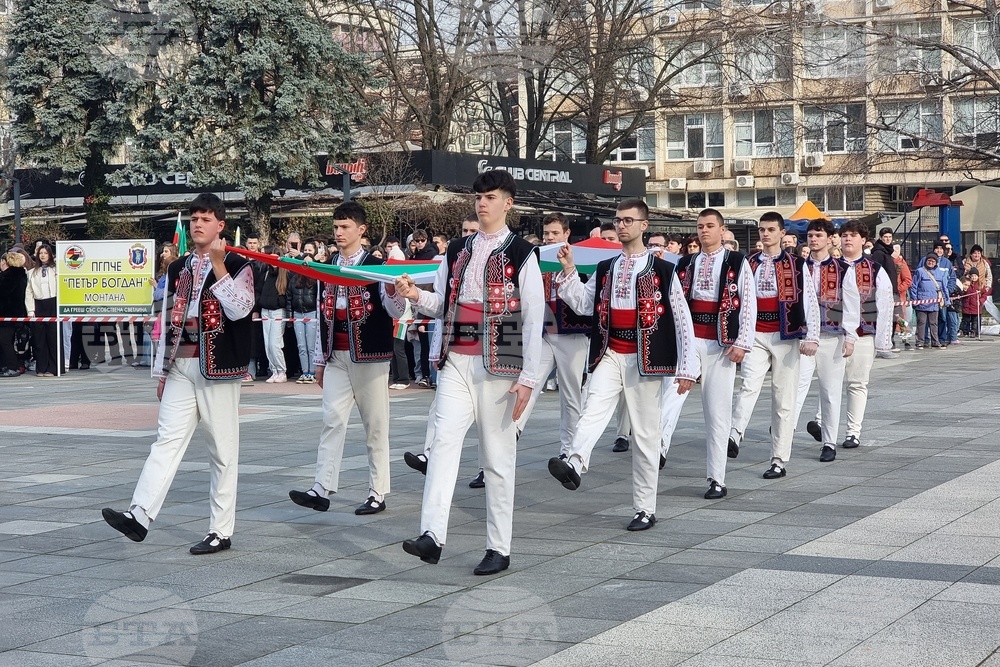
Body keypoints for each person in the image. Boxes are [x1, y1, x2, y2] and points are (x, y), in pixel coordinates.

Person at [395, 170, 543, 576]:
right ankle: (432, 535)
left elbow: (533, 318)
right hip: (456, 358)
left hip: (502, 360)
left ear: (508, 203)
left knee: (496, 458)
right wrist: (413, 294)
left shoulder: (521, 252)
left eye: (491, 197)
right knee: (442, 444)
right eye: (479, 197)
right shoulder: (458, 248)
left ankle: (499, 546)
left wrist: (529, 377)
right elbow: (441, 301)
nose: (482, 204)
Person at [102, 193, 255, 554]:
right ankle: (139, 514)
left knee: (221, 450)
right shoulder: (177, 267)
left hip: (218, 365)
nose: (197, 224)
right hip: (181, 363)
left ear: (221, 225)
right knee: (166, 440)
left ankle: (221, 529)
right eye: (194, 219)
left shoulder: (238, 262)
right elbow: (168, 318)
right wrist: (161, 370)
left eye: (205, 219)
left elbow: (240, 310)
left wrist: (219, 267)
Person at [546, 198, 698, 530]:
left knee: (645, 435)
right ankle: (574, 462)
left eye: (628, 220)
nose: (621, 225)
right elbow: (585, 305)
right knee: (592, 406)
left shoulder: (663, 270)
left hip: (646, 358)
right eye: (618, 220)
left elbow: (682, 319)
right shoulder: (606, 267)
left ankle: (645, 508)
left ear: (644, 225)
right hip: (610, 351)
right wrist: (570, 270)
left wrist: (688, 366)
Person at [289, 202, 405, 516]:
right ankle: (321, 487)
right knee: (332, 420)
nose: (338, 233)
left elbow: (396, 312)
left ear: (361, 230)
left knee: (375, 425)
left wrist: (395, 289)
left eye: (345, 227)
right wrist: (318, 359)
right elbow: (320, 312)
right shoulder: (328, 266)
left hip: (370, 354)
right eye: (336, 227)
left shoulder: (376, 266)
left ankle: (378, 491)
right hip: (335, 354)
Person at [662, 209, 756, 499]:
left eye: (710, 226)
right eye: (700, 226)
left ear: (723, 230)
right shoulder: (686, 262)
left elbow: (748, 301)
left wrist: (742, 341)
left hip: (720, 343)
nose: (704, 231)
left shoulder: (737, 261)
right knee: (668, 399)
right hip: (689, 341)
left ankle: (717, 478)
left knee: (717, 412)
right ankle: (657, 450)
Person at [728, 212, 819, 479]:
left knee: (783, 397)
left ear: (782, 233)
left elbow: (809, 302)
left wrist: (811, 336)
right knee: (748, 383)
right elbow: (739, 298)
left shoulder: (797, 263)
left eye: (770, 230)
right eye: (762, 230)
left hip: (785, 334)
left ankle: (779, 458)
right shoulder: (749, 262)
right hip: (755, 333)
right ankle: (735, 433)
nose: (765, 234)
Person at [515, 212, 592, 460]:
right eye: (547, 233)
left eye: (555, 233)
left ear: (567, 233)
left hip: (573, 333)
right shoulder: (534, 257)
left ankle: (568, 451)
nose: (549, 238)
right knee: (530, 382)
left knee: (571, 395)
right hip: (544, 333)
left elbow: (588, 295)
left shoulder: (580, 256)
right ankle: (510, 435)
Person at [794, 219, 860, 462]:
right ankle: (784, 433)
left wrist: (850, 336)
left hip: (832, 335)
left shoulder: (843, 268)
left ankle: (829, 442)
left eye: (818, 235)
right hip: (801, 336)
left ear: (830, 238)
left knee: (830, 391)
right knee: (794, 385)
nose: (813, 239)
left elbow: (852, 304)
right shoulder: (799, 266)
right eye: (810, 235)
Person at [832, 220, 895, 450]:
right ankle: (823, 426)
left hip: (863, 333)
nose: (848, 239)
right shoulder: (831, 267)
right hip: (833, 333)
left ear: (862, 240)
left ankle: (853, 431)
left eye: (853, 235)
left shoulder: (874, 269)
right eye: (845, 235)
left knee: (857, 383)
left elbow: (885, 302)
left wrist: (883, 337)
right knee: (830, 383)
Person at [25, 243, 60, 377]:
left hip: (52, 303)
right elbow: (28, 292)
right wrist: (30, 310)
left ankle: (53, 368)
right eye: (41, 253)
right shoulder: (32, 272)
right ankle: (41, 367)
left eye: (45, 253)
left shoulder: (56, 270)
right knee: (39, 340)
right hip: (38, 305)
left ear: (50, 254)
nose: (43, 255)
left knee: (52, 338)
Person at [257, 246, 288, 383]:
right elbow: (258, 290)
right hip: (265, 311)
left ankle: (282, 371)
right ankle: (274, 370)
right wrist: (258, 306)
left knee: (275, 343)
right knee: (267, 343)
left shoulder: (286, 273)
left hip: (278, 311)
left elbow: (288, 294)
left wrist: (281, 303)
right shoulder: (265, 272)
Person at [909, 253, 948, 348]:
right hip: (922, 302)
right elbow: (914, 286)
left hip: (934, 303)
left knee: (934, 323)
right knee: (921, 323)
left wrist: (946, 300)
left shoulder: (939, 272)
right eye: (929, 261)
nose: (931, 262)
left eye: (933, 261)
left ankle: (935, 341)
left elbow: (943, 287)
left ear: (936, 263)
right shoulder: (920, 271)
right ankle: (920, 341)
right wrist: (914, 300)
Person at [0, 251, 28, 377]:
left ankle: (12, 366)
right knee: (7, 340)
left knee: (5, 341)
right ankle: (6, 365)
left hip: (7, 314)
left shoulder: (9, 277)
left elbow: (3, 293)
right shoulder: (20, 275)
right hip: (15, 313)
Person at [288, 269, 318, 384]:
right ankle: (305, 372)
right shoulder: (294, 279)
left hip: (311, 313)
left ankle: (312, 372)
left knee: (311, 346)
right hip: (298, 314)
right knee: (301, 346)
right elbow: (289, 298)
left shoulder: (315, 280)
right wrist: (289, 317)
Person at [893, 243, 913, 350]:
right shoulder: (888, 262)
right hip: (889, 295)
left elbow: (908, 280)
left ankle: (906, 340)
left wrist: (898, 289)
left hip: (899, 296)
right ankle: (891, 339)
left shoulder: (901, 263)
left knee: (901, 318)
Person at [960, 267, 988, 337]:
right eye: (972, 276)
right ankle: (964, 331)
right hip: (967, 306)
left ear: (978, 276)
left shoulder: (980, 285)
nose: (974, 277)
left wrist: (980, 301)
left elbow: (984, 295)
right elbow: (963, 292)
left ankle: (974, 331)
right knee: (966, 320)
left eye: (975, 276)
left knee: (975, 321)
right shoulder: (967, 284)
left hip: (976, 307)